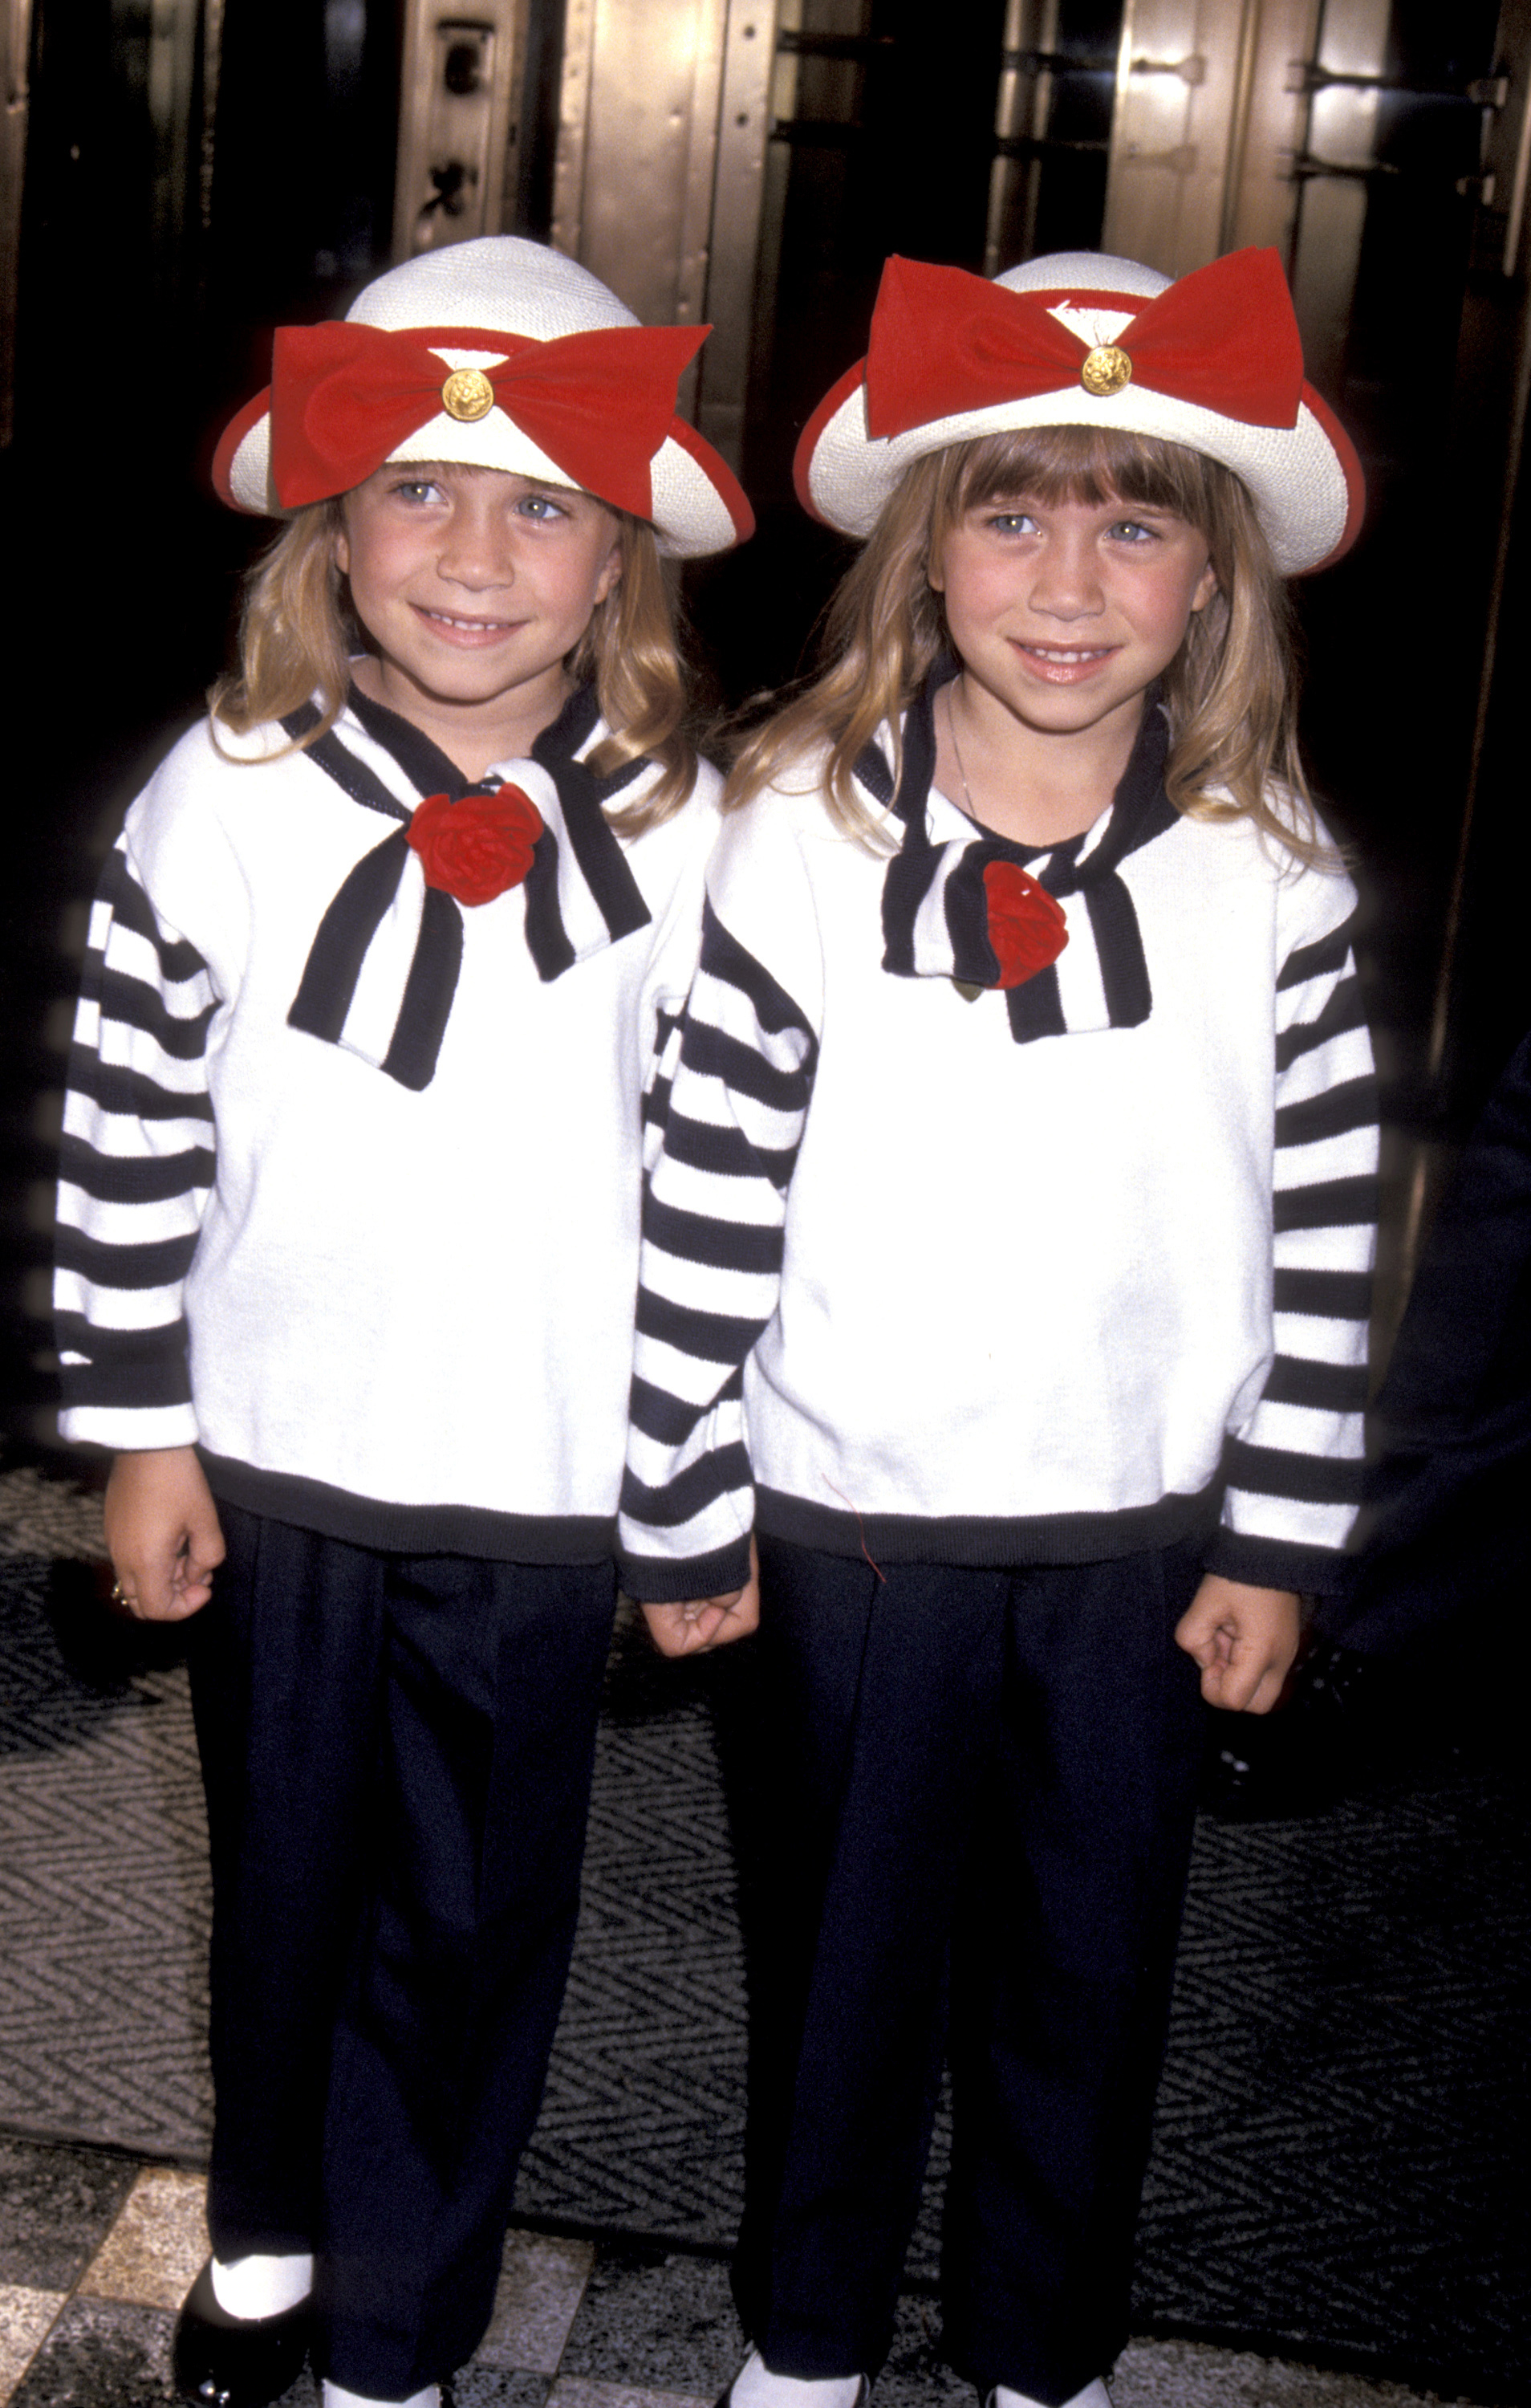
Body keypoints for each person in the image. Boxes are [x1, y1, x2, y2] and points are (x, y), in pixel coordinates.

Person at [617, 248, 1376, 2408]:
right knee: (842, 1968)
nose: (1070, 578)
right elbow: (700, 1197)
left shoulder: (1273, 879)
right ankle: (807, 2335)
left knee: (1085, 1970)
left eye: (1136, 522)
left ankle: (1044, 2347)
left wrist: (1274, 1543)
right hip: (851, 1517)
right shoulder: (783, 841)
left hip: (1140, 1537)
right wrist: (676, 1493)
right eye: (1014, 511)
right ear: (924, 553)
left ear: (1214, 585)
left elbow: (1327, 1241)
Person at [52, 234, 752, 2408]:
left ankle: (403, 2323)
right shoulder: (224, 793)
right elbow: (126, 1134)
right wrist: (141, 1428)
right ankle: (265, 2233)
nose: (474, 553)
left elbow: (722, 1171)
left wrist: (685, 1477)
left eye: (541, 503)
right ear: (333, 530)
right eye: (421, 495)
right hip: (272, 1449)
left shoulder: (693, 823)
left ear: (615, 558)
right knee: (281, 1887)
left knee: (469, 1924)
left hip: (541, 1472)